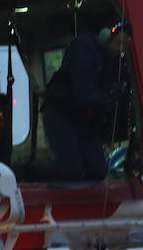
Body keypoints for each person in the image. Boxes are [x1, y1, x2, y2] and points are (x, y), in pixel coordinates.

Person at [40, 20, 131, 181]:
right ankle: (29, 173)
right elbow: (81, 95)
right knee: (71, 169)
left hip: (84, 120)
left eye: (125, 44)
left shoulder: (111, 57)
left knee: (99, 170)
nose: (121, 49)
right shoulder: (83, 51)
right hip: (61, 115)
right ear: (105, 37)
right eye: (119, 43)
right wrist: (108, 96)